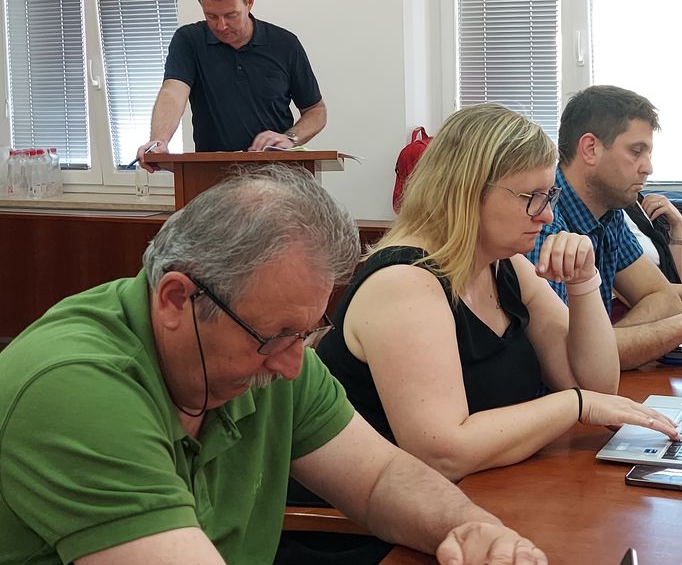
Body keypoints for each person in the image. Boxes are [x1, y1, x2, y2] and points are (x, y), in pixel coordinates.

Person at [0, 165, 546, 565]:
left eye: (305, 333)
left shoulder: (269, 351)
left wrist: (473, 529)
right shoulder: (72, 388)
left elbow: (380, 478)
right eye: (277, 336)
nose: (292, 365)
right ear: (175, 299)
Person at [314, 103, 679, 482]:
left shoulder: (505, 265)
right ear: (469, 192)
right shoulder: (404, 283)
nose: (547, 215)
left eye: (549, 195)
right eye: (532, 196)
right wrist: (575, 405)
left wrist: (583, 280)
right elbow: (442, 454)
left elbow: (597, 387)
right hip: (362, 513)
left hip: (483, 490)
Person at [527, 85, 682, 371]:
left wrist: (607, 342)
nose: (648, 168)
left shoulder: (609, 212)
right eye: (636, 152)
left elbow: (664, 298)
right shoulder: (540, 222)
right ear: (590, 149)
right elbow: (566, 357)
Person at [136, 0, 326, 169]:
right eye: (211, 16)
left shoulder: (285, 44)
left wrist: (289, 138)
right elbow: (173, 92)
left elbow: (316, 111)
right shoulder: (188, 41)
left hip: (278, 173)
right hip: (212, 175)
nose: (221, 26)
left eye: (231, 15)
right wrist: (159, 140)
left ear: (249, 2)